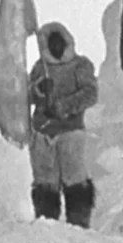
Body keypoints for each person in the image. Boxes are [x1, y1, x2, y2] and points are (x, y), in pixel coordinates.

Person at [28, 22, 98, 228]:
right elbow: (28, 95)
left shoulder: (80, 65)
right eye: (52, 44)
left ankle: (79, 222)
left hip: (70, 129)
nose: (56, 47)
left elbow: (90, 93)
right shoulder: (41, 67)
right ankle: (46, 222)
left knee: (74, 176)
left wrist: (64, 106)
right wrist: (38, 90)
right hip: (42, 131)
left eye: (60, 42)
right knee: (44, 180)